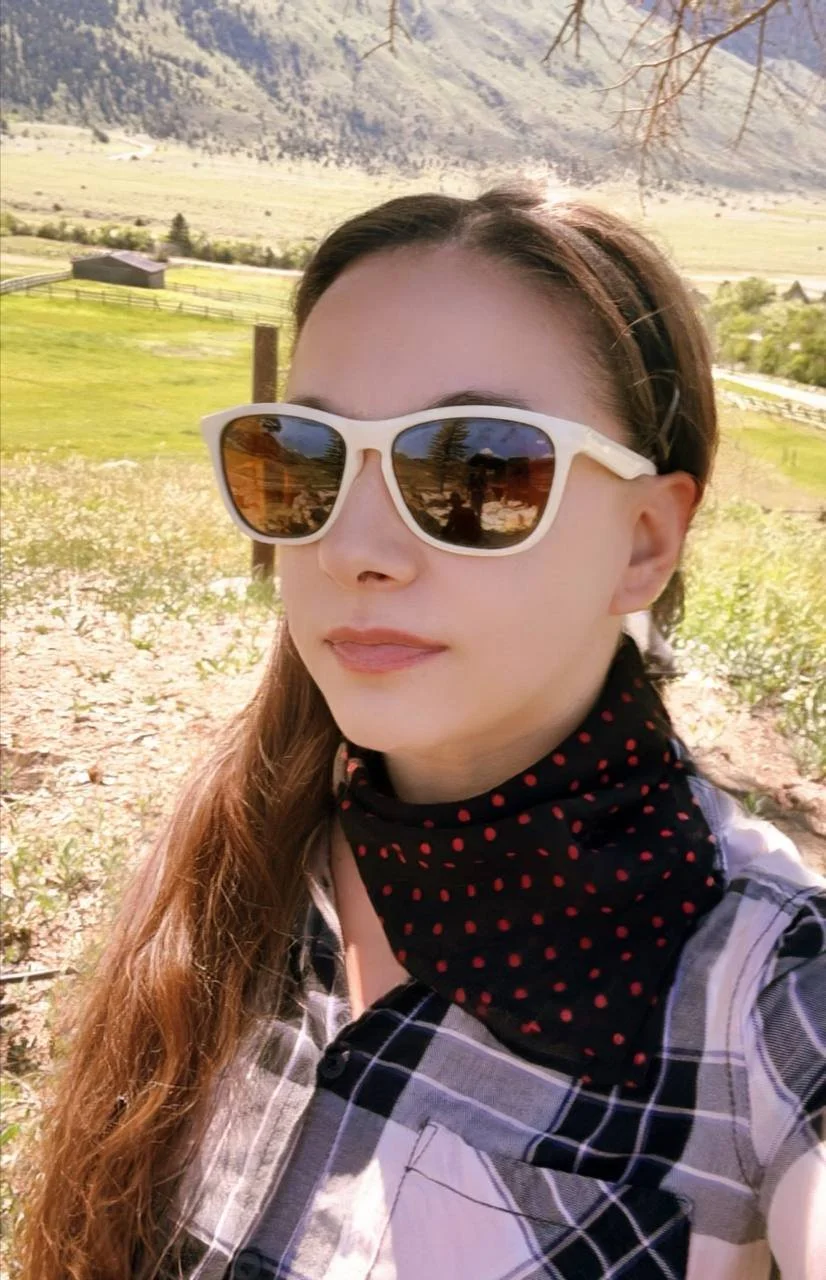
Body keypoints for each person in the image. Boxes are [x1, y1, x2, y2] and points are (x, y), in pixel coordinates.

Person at [21, 183, 825, 1280]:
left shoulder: (764, 987)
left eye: (474, 472)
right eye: (301, 459)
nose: (355, 547)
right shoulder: (229, 871)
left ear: (643, 540)